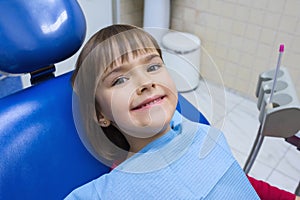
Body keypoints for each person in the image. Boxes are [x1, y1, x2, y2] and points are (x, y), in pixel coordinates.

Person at [66, 24, 298, 200]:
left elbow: (234, 180)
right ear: (101, 115)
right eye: (120, 80)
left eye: (153, 66)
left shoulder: (197, 135)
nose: (145, 82)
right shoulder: (109, 192)